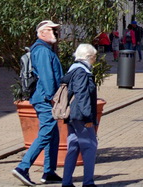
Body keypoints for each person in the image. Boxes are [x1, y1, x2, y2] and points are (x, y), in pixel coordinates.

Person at [13, 20, 65, 186]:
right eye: (51, 30)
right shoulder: (42, 51)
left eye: (55, 30)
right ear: (42, 32)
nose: (55, 33)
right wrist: (52, 97)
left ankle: (49, 172)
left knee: (53, 133)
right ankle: (23, 167)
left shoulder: (45, 49)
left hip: (44, 96)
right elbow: (46, 75)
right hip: (44, 97)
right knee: (47, 131)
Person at [58, 43, 98, 187]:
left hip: (72, 115)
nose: (95, 60)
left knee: (74, 147)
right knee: (90, 146)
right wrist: (88, 117)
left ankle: (66, 182)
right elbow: (82, 95)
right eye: (94, 57)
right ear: (88, 57)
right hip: (80, 115)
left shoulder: (73, 69)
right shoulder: (82, 71)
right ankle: (88, 182)